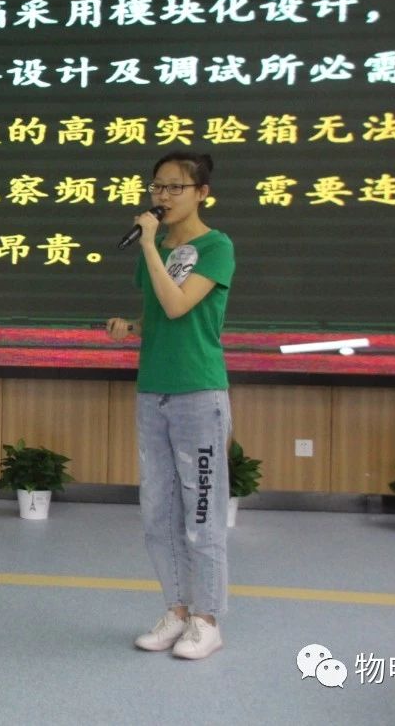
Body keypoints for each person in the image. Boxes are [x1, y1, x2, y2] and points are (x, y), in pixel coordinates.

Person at [106, 150, 235, 660]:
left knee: (201, 510)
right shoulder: (158, 246)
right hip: (153, 390)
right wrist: (132, 326)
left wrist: (149, 247)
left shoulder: (216, 247)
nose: (162, 196)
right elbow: (161, 313)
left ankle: (207, 619)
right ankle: (177, 610)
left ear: (201, 193)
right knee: (158, 511)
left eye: (175, 187)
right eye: (157, 186)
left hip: (198, 393)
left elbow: (180, 304)